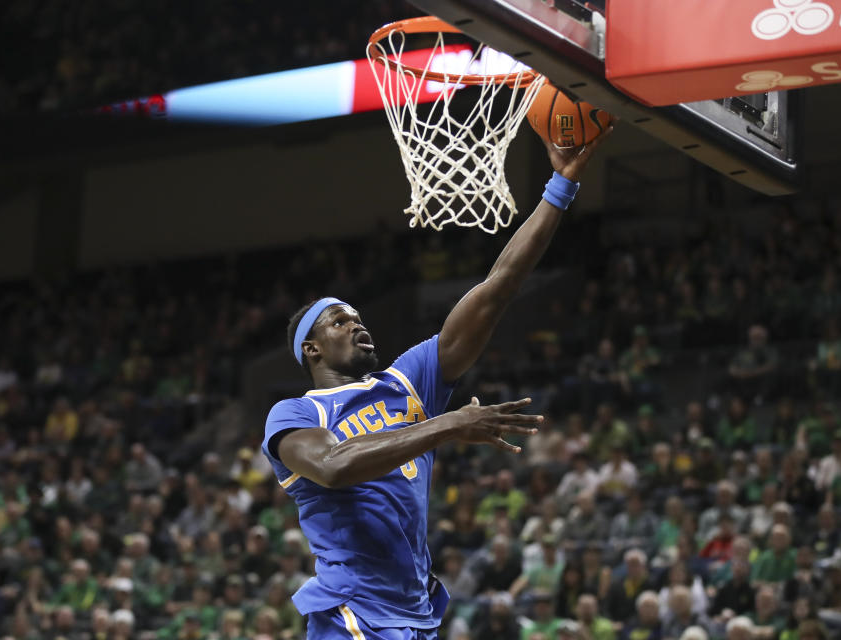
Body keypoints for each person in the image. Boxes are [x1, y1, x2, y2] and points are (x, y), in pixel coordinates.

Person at [261, 130, 613, 639]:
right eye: (339, 321)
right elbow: (334, 467)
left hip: (415, 611)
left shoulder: (407, 381)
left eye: (359, 317)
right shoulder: (296, 413)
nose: (358, 324)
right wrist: (447, 424)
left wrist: (560, 187)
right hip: (353, 611)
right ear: (310, 350)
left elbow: (498, 288)